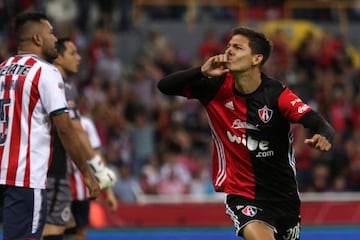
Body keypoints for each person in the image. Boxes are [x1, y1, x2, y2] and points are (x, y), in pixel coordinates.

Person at [157, 26, 335, 240]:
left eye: (238, 47)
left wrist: (325, 135)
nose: (229, 51)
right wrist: (201, 71)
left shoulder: (277, 95)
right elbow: (164, 86)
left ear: (256, 59)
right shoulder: (214, 88)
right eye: (229, 46)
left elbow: (318, 122)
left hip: (284, 197)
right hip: (243, 194)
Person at [0, 12, 100, 240]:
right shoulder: (45, 72)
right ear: (37, 38)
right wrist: (87, 172)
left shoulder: (2, 69)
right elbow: (65, 128)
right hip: (25, 178)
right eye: (51, 32)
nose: (55, 38)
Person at [42, 37, 116, 240]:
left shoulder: (53, 81)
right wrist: (97, 171)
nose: (79, 57)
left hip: (45, 169)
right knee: (52, 228)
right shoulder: (60, 85)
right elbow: (75, 130)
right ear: (58, 57)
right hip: (52, 170)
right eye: (73, 53)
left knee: (69, 225)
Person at [65, 115, 118, 240]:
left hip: (82, 184)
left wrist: (109, 192)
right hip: (58, 180)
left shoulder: (86, 123)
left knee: (79, 230)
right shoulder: (51, 117)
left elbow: (96, 156)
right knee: (57, 226)